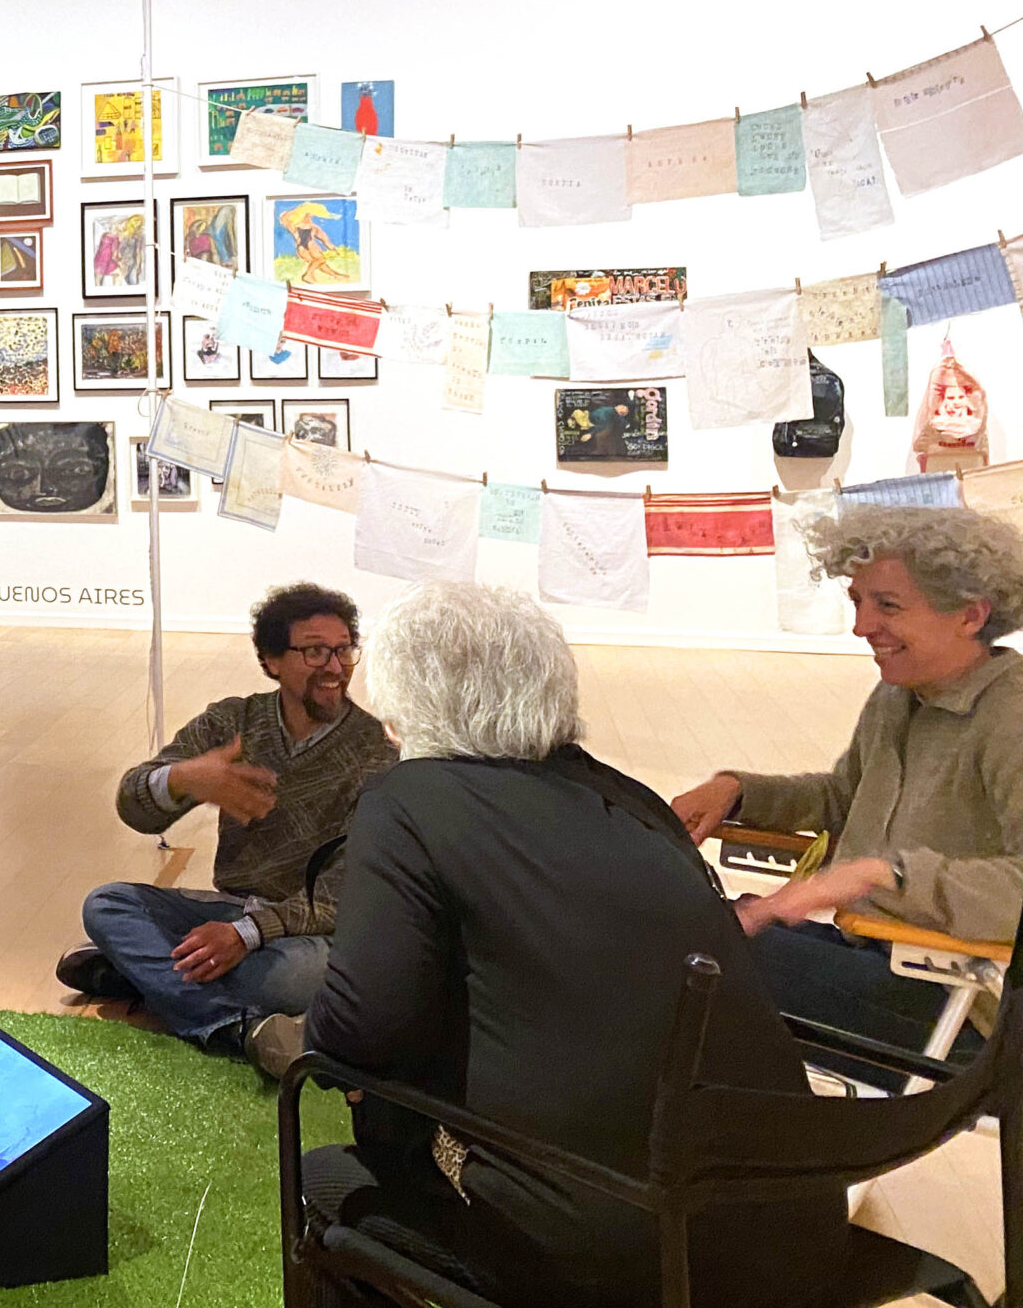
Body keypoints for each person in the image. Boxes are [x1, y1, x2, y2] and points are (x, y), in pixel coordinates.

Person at [298, 582, 847, 1308]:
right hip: (794, 1230)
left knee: (321, 1174)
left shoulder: (408, 801)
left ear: (408, 709)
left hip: (620, 1256)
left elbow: (356, 1032)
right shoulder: (632, 799)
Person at [671, 504, 1023, 1061]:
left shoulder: (1012, 714)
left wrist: (883, 875)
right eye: (858, 601)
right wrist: (738, 791)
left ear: (970, 616)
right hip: (872, 956)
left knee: (689, 966)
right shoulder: (900, 695)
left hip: (968, 1006)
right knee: (669, 924)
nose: (862, 627)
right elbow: (846, 799)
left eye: (889, 606)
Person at [57, 582, 395, 1067]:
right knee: (107, 904)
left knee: (293, 979)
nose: (336, 668)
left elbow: (345, 898)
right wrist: (184, 779)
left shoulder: (374, 752)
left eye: (344, 650)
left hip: (308, 935)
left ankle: (143, 973)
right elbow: (133, 806)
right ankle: (238, 1029)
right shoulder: (233, 721)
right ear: (271, 660)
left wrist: (247, 935)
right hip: (229, 910)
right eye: (316, 651)